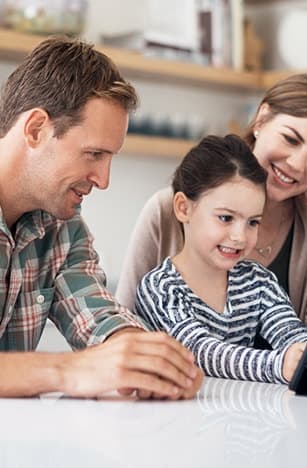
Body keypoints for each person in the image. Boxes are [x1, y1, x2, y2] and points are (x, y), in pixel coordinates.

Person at [0, 35, 203, 399]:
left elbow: (98, 316)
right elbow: (77, 369)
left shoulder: (64, 231)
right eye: (93, 154)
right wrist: (68, 370)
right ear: (35, 130)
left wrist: (142, 359)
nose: (103, 180)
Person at [116, 73, 307, 328]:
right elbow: (124, 326)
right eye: (290, 139)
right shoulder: (167, 209)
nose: (297, 165)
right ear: (262, 120)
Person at [135, 135, 307, 383]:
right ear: (184, 208)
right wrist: (278, 364)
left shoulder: (258, 282)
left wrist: (303, 352)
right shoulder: (160, 288)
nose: (240, 237)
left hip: (243, 414)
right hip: (182, 415)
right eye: (226, 218)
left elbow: (290, 331)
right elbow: (198, 352)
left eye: (253, 222)